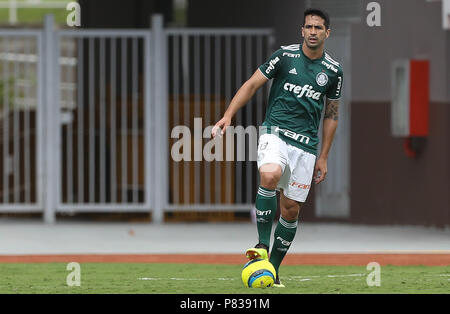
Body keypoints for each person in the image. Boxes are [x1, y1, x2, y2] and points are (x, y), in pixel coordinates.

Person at [212, 8, 343, 287]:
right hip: (275, 133)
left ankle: (272, 268)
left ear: (327, 33)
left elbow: (331, 115)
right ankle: (260, 245)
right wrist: (228, 115)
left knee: (291, 209)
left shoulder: (333, 71)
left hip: (306, 146)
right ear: (301, 30)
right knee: (269, 175)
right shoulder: (284, 56)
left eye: (318, 28)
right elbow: (252, 84)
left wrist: (324, 156)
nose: (312, 32)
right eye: (308, 26)